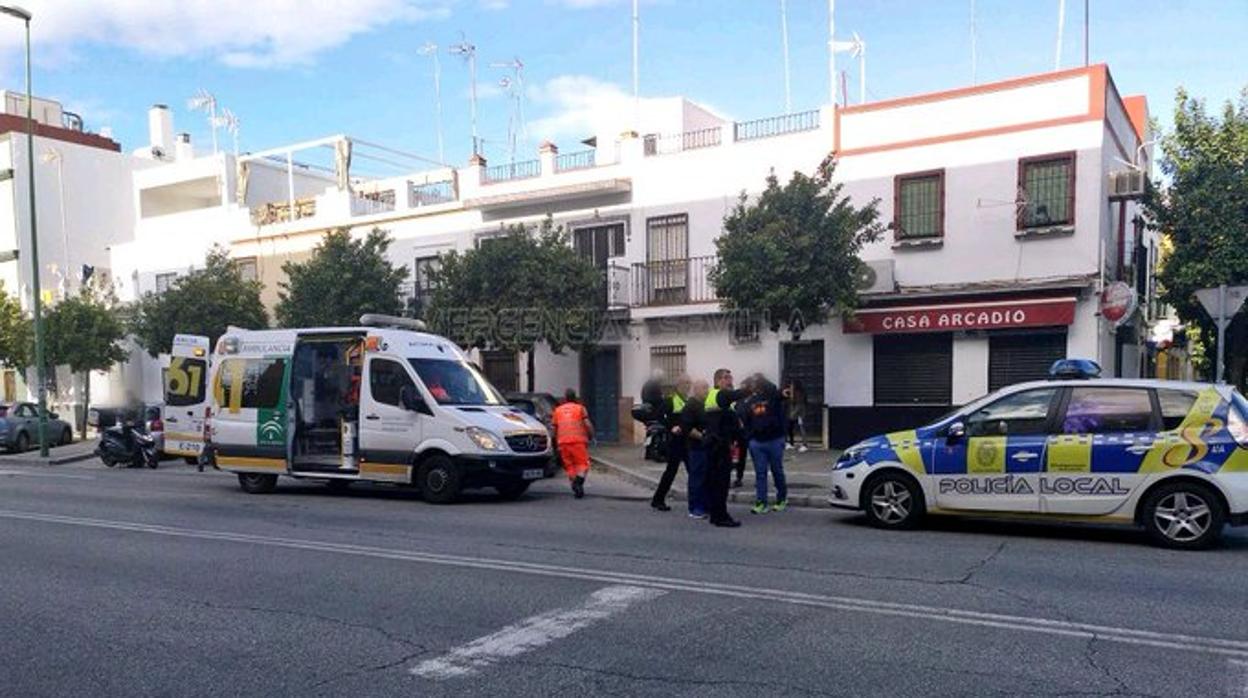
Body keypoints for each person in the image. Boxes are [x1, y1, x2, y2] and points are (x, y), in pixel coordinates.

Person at [704, 368, 749, 528]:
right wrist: (751, 387)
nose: (729, 380)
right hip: (719, 447)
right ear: (717, 381)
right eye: (725, 378)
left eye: (730, 377)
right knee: (721, 484)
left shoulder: (715, 398)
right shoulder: (720, 395)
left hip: (715, 445)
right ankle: (721, 516)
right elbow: (736, 395)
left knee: (716, 483)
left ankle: (716, 514)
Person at [743, 375, 789, 514]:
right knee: (760, 474)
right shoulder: (749, 400)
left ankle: (782, 498)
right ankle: (761, 502)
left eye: (756, 383)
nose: (753, 386)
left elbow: (779, 393)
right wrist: (750, 437)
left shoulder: (772, 396)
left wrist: (761, 379)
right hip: (757, 442)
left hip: (774, 439)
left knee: (777, 471)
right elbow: (746, 419)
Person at [650, 374, 691, 512]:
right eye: (685, 383)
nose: (687, 386)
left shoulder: (687, 401)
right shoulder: (671, 401)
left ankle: (698, 499)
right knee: (671, 471)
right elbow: (659, 415)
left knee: (694, 471)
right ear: (678, 385)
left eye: (689, 383)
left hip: (687, 441)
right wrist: (671, 427)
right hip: (676, 442)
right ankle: (658, 499)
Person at [552, 389, 595, 498]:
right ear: (575, 397)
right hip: (578, 441)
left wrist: (554, 442)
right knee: (583, 464)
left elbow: (554, 429)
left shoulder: (557, 410)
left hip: (562, 442)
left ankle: (575, 487)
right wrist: (591, 435)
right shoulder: (580, 408)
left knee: (570, 465)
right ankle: (578, 482)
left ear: (565, 398)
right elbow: (587, 424)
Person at [680, 379, 712, 519]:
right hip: (696, 448)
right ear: (696, 389)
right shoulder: (691, 406)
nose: (707, 390)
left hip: (707, 447)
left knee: (706, 478)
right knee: (697, 478)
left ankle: (705, 506)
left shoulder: (705, 404)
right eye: (704, 388)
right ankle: (695, 508)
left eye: (707, 387)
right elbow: (687, 427)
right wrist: (702, 437)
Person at [730, 375, 755, 488]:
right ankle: (739, 478)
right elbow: (736, 411)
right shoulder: (739, 401)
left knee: (756, 457)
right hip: (740, 433)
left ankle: (760, 478)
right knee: (740, 457)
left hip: (752, 432)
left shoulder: (754, 399)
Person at [783, 378, 809, 452]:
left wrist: (792, 415)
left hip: (799, 414)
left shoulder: (798, 394)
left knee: (802, 428)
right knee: (799, 428)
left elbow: (798, 405)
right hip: (798, 413)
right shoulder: (797, 393)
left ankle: (804, 444)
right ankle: (799, 443)